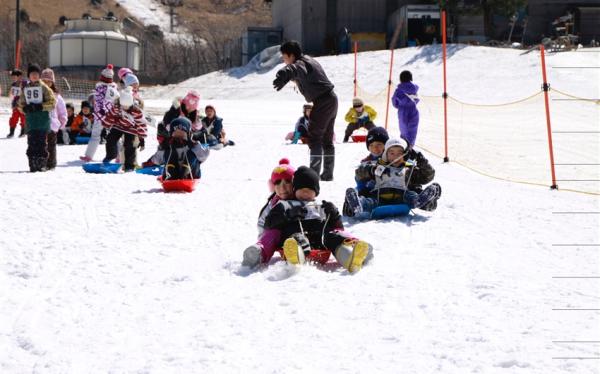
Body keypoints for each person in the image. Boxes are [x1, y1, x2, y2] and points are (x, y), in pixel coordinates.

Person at [264, 166, 373, 272]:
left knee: (333, 238)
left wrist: (333, 213)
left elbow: (338, 227)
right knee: (297, 240)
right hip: (297, 237)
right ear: (294, 189)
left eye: (309, 190)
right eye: (301, 189)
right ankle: (295, 259)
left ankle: (350, 259)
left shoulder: (321, 205)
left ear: (316, 192)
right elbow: (269, 224)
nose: (305, 193)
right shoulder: (285, 205)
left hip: (321, 240)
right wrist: (287, 215)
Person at [273, 41, 338, 181]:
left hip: (322, 102)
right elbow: (297, 73)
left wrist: (283, 73)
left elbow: (294, 69)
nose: (284, 61)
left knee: (314, 138)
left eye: (284, 57)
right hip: (332, 99)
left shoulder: (300, 63)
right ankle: (327, 173)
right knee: (327, 139)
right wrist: (286, 78)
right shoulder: (309, 60)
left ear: (291, 55)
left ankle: (312, 177)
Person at [344, 138, 441, 218]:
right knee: (369, 202)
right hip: (378, 198)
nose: (396, 157)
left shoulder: (408, 169)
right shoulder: (378, 166)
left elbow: (427, 176)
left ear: (405, 155)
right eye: (392, 153)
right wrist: (371, 170)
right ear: (386, 154)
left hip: (402, 198)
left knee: (411, 195)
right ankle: (357, 204)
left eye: (399, 154)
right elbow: (359, 174)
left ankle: (419, 201)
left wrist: (421, 160)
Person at [242, 158, 295, 268]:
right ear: (273, 186)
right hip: (278, 239)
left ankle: (297, 251)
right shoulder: (272, 204)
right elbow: (262, 222)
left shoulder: (300, 199)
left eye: (287, 182)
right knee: (272, 233)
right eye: (278, 183)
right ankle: (259, 252)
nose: (282, 187)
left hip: (299, 235)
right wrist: (264, 237)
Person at [142, 90, 202, 168]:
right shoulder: (176, 108)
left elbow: (197, 126)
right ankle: (152, 162)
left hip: (182, 136)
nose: (189, 109)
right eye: (188, 106)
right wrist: (172, 129)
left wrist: (195, 129)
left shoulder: (194, 113)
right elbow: (167, 119)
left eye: (192, 107)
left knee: (184, 149)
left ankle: (182, 165)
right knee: (166, 149)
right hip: (166, 132)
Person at [18, 63, 56, 172]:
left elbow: (53, 102)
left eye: (36, 74)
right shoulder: (26, 89)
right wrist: (24, 109)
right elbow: (20, 104)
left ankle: (41, 164)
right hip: (31, 122)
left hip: (42, 121)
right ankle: (32, 164)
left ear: (39, 75)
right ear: (28, 76)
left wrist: (41, 106)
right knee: (31, 143)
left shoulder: (44, 87)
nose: (34, 76)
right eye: (32, 74)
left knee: (41, 143)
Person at [101, 87, 147, 172]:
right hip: (118, 126)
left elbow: (141, 124)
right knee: (110, 138)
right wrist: (105, 127)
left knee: (129, 145)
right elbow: (109, 116)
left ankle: (129, 166)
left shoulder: (136, 111)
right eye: (123, 106)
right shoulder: (117, 107)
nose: (125, 107)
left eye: (127, 106)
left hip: (131, 128)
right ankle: (111, 155)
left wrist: (142, 138)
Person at [80, 64, 118, 162]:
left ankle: (119, 157)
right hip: (102, 116)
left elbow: (108, 102)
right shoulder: (105, 88)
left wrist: (102, 111)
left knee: (112, 136)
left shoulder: (107, 90)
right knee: (98, 135)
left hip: (106, 116)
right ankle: (89, 155)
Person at [41, 68, 67, 170]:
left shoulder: (57, 96)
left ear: (52, 83)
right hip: (41, 124)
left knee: (51, 145)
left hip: (52, 124)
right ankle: (42, 163)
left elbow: (62, 110)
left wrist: (62, 121)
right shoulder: (39, 94)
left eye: (49, 82)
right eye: (44, 81)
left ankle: (51, 164)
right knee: (42, 144)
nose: (47, 84)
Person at [392, 70, 420, 146]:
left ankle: (404, 145)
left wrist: (400, 105)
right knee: (413, 129)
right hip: (413, 110)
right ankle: (411, 145)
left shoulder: (399, 90)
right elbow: (417, 99)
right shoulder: (414, 89)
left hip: (403, 111)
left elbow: (394, 101)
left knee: (404, 129)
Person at [7, 69, 27, 138]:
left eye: (14, 76)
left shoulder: (25, 83)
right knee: (13, 118)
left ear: (20, 76)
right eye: (13, 77)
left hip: (23, 105)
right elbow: (12, 95)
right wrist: (12, 103)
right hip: (15, 104)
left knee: (23, 118)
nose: (13, 78)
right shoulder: (13, 84)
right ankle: (11, 132)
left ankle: (23, 132)